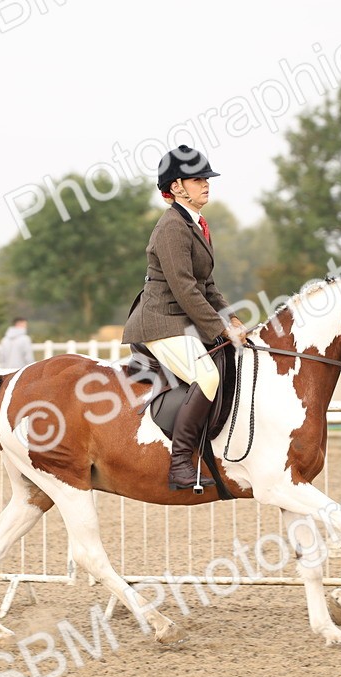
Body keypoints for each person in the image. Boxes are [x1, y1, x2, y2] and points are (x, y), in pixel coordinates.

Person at [122, 145, 247, 491]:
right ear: (177, 187)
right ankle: (179, 463)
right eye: (197, 179)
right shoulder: (172, 228)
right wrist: (219, 328)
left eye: (206, 178)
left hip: (183, 320)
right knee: (207, 377)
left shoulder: (197, 224)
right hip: (161, 322)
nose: (206, 184)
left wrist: (233, 321)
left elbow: (207, 284)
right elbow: (185, 289)